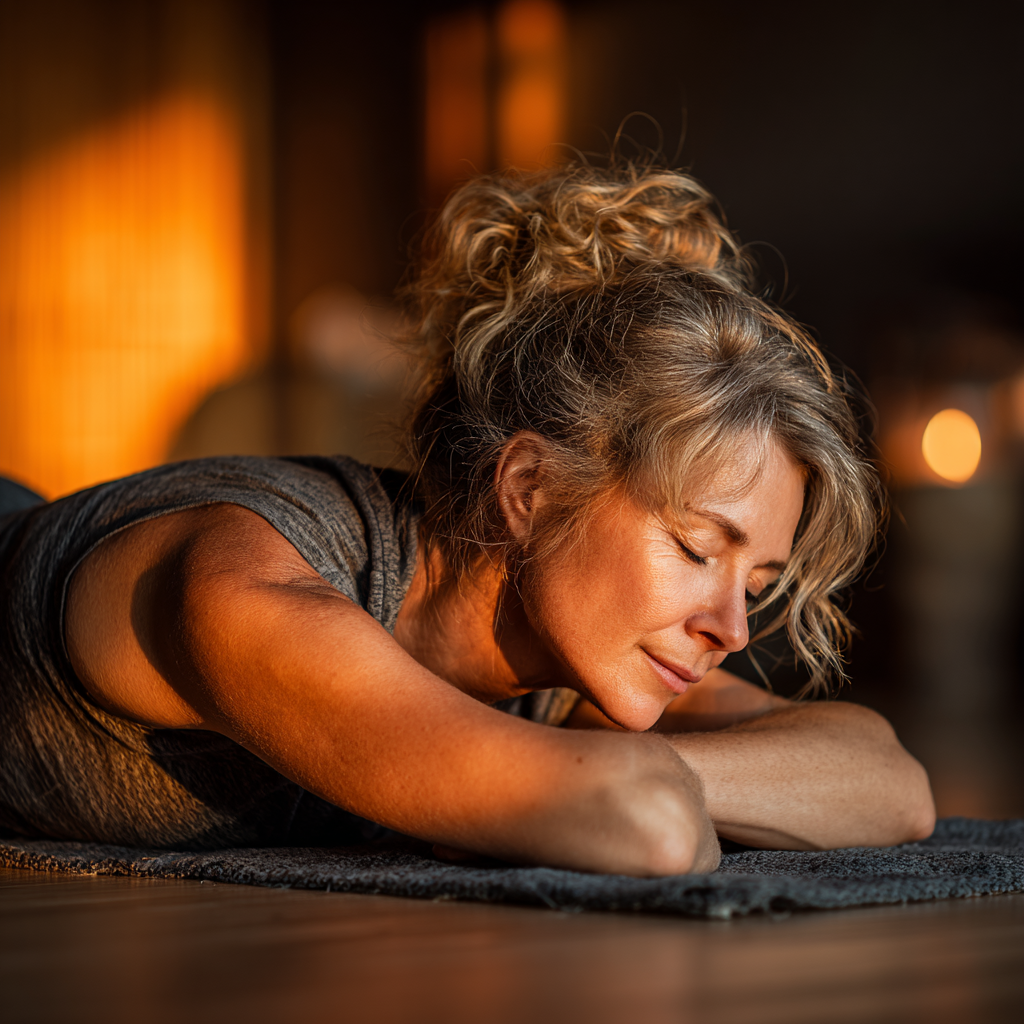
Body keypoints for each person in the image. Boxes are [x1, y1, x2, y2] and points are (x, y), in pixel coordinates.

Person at [0, 162, 935, 875]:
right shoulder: (248, 586)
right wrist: (598, 777)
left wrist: (600, 770)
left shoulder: (567, 649)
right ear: (530, 490)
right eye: (696, 548)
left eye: (757, 583)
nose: (732, 629)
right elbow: (644, 826)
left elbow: (890, 784)